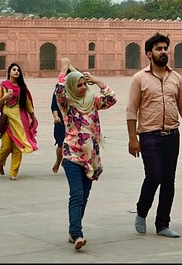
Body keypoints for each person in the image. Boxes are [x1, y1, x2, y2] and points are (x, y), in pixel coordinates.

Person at [126, 32, 182, 238]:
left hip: (172, 135)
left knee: (169, 180)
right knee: (155, 175)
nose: (163, 52)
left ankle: (162, 224)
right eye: (158, 49)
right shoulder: (139, 78)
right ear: (149, 54)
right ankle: (141, 211)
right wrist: (133, 138)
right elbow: (131, 109)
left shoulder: (175, 78)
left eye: (165, 48)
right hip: (149, 136)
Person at [55, 61, 117, 250]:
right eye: (78, 85)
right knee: (77, 194)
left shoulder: (93, 102)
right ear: (72, 87)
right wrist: (63, 70)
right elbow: (59, 91)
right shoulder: (68, 104)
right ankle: (77, 233)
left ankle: (73, 229)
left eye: (84, 84)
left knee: (84, 196)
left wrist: (97, 81)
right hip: (72, 155)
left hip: (91, 158)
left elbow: (112, 99)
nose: (82, 88)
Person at [0, 62, 38, 180]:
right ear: (9, 72)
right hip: (6, 121)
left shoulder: (22, 88)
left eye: (18, 70)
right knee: (6, 147)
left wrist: (32, 117)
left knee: (18, 147)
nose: (16, 72)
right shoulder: (2, 86)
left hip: (20, 121)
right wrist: (4, 98)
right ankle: (1, 162)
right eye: (14, 69)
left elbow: (28, 103)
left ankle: (13, 172)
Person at [51, 64, 68, 174]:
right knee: (61, 143)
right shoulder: (58, 91)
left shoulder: (78, 90)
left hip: (73, 120)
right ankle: (58, 161)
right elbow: (54, 105)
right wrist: (56, 117)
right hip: (61, 120)